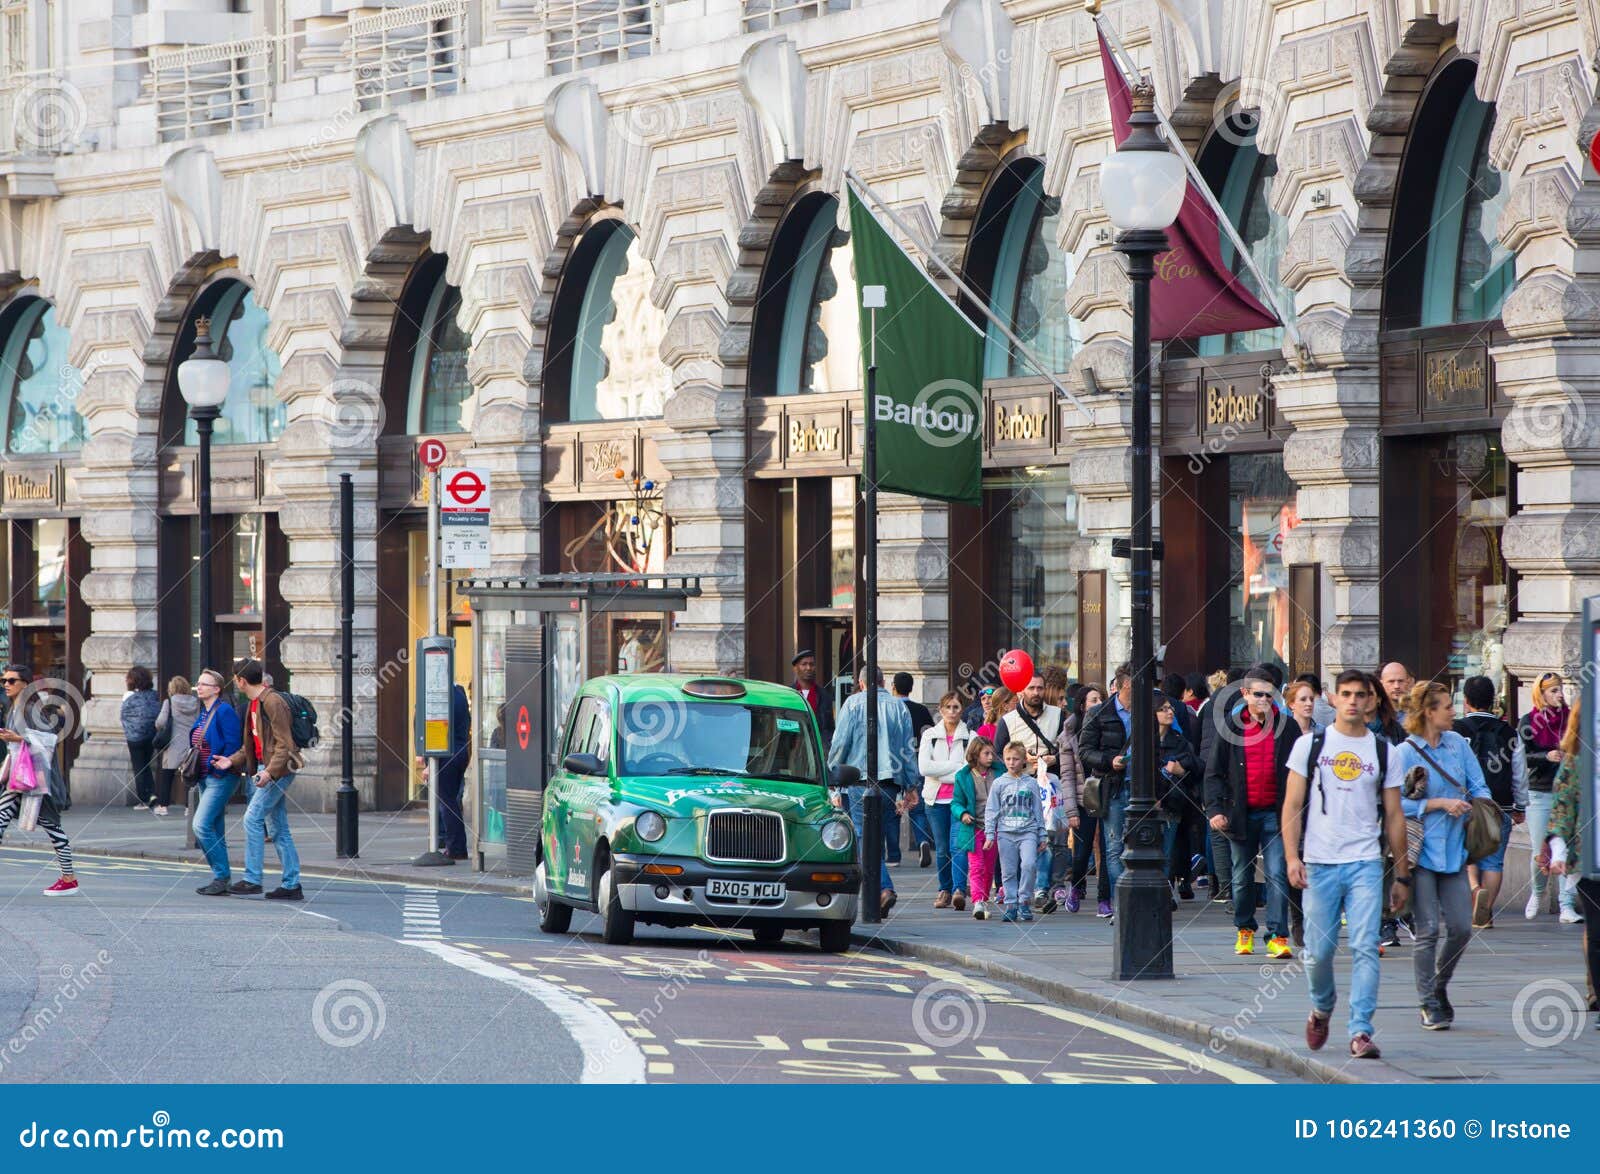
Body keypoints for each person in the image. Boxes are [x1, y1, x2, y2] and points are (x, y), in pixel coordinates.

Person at [1282, 669, 1409, 1060]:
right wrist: (1291, 856)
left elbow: (1394, 815)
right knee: (1317, 952)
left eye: (1361, 695)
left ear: (1372, 700)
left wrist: (1402, 873)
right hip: (1320, 863)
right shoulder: (1310, 744)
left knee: (1365, 946)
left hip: (1365, 863)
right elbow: (1291, 805)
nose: (1353, 701)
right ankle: (1322, 1007)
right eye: (1346, 694)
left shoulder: (1385, 751)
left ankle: (1360, 1031)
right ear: (1333, 699)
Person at [1390, 679, 1492, 1030]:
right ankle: (1428, 1002)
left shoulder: (1457, 746)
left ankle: (1439, 985)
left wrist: (1479, 806)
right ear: (1429, 712)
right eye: (1447, 706)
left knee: (1463, 927)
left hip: (1455, 851)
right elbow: (1393, 804)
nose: (1453, 711)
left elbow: (1480, 786)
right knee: (1429, 928)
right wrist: (1437, 803)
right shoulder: (1404, 752)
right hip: (1419, 852)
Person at [1205, 666, 1296, 958]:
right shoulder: (1230, 728)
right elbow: (1214, 773)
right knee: (1242, 877)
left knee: (1277, 874)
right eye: (1259, 695)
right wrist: (1216, 809)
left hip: (1276, 814)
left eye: (1271, 696)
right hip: (1240, 814)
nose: (1265, 701)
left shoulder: (1288, 728)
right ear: (1244, 694)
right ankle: (1245, 929)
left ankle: (1277, 936)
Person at [827, 664, 920, 917]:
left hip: (859, 780)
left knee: (862, 838)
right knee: (874, 839)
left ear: (861, 683)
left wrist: (832, 778)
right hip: (890, 782)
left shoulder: (853, 704)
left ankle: (884, 890)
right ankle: (877, 898)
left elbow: (840, 743)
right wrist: (912, 785)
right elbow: (908, 748)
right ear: (883, 682)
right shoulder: (899, 706)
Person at [219, 658, 304, 901]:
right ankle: (291, 884)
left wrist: (269, 772)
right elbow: (254, 746)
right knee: (278, 828)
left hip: (278, 770)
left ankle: (252, 879)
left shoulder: (272, 702)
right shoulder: (255, 703)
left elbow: (285, 745)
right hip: (266, 767)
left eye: (235, 678)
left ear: (241, 680)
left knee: (252, 818)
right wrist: (230, 760)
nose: (235, 682)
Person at [1538, 699, 1599, 1028]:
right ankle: (1596, 989)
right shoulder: (1576, 761)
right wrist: (1559, 851)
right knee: (1596, 925)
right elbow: (1562, 808)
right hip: (1589, 854)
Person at [0, 665, 79, 895]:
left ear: (25, 684)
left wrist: (18, 737)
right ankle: (69, 877)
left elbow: (49, 740)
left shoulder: (31, 709)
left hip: (37, 780)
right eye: (4, 680)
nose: (6, 684)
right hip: (18, 778)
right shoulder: (14, 708)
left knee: (53, 828)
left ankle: (69, 878)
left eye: (12, 680)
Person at [1455, 675, 1525, 930]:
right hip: (1501, 804)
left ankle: (1475, 890)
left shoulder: (1456, 730)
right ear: (1493, 701)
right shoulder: (1510, 732)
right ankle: (1486, 912)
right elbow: (1519, 773)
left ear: (1466, 701)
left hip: (1465, 803)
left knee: (1468, 854)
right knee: (1494, 861)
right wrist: (1520, 805)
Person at [1520, 670, 1581, 923]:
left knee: (1567, 847)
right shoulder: (1529, 721)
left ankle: (1566, 905)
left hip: (1566, 792)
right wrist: (1545, 757)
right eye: (1553, 690)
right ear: (1541, 694)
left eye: (1560, 690)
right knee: (1540, 850)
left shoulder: (1571, 719)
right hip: (1540, 790)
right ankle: (1537, 892)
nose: (1559, 695)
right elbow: (1521, 755)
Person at [1078, 666, 1139, 905]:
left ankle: (1134, 899)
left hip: (1140, 789)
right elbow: (1084, 752)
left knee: (1141, 845)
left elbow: (1156, 751)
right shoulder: (1098, 713)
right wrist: (1108, 761)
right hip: (1112, 788)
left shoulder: (1145, 712)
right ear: (1126, 685)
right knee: (1113, 847)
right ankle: (1121, 901)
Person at [190, 668, 245, 896]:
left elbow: (234, 743)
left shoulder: (224, 712)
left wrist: (222, 767)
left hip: (220, 778)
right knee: (215, 828)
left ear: (217, 689)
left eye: (205, 684)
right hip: (205, 777)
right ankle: (221, 878)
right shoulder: (203, 712)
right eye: (199, 683)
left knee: (200, 825)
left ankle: (221, 875)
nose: (199, 687)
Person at [917, 692, 971, 909]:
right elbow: (924, 768)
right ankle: (944, 889)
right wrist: (954, 767)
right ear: (940, 710)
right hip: (935, 800)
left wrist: (941, 770)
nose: (951, 711)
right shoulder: (929, 735)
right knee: (941, 849)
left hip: (960, 801)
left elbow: (968, 770)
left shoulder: (970, 737)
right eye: (947, 707)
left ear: (962, 710)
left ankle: (959, 889)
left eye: (956, 707)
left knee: (958, 846)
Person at [1199, 668, 1248, 906]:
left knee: (1218, 831)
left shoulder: (1210, 704)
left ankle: (1224, 885)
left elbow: (1199, 738)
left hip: (1212, 769)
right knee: (1239, 833)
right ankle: (1243, 887)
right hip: (1237, 771)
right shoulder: (1243, 707)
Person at [985, 742, 1047, 924]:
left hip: (1028, 831)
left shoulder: (1031, 783)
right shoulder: (999, 783)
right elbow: (992, 810)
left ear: (1023, 761)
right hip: (1005, 832)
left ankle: (1024, 900)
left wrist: (1042, 834)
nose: (1012, 763)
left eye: (1016, 759)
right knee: (1008, 871)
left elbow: (1038, 810)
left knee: (1029, 865)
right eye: (1008, 759)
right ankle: (1011, 904)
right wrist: (990, 834)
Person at [1063, 684, 1108, 915]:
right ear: (1082, 705)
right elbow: (1068, 774)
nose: (1098, 703)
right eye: (1093, 700)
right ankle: (1076, 885)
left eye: (1101, 699)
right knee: (1082, 850)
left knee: (1109, 848)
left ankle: (1104, 898)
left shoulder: (1110, 728)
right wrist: (1071, 811)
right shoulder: (1069, 734)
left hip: (1108, 793)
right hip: (1084, 797)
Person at [1156, 693, 1202, 902]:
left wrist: (1180, 770)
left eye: (1170, 708)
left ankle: (1165, 892)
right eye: (1164, 709)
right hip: (1149, 802)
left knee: (1167, 849)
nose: (1170, 712)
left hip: (1172, 802)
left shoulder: (1178, 739)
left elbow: (1196, 766)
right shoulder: (1142, 740)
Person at [892, 672, 936, 868]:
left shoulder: (889, 708)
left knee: (892, 809)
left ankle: (892, 854)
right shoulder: (921, 710)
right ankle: (922, 842)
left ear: (893, 687)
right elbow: (931, 736)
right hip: (917, 761)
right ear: (911, 688)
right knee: (918, 809)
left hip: (892, 763)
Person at [951, 735, 998, 920]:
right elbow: (956, 802)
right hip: (973, 827)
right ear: (975, 754)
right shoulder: (963, 776)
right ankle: (978, 900)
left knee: (989, 867)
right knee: (976, 866)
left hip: (993, 828)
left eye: (992, 753)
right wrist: (962, 813)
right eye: (986, 753)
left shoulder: (999, 772)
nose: (990, 757)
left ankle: (984, 899)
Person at [152, 675, 201, 818]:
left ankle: (163, 806)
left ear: (172, 688)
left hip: (173, 744)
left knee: (167, 776)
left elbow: (160, 722)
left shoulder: (169, 702)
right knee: (189, 775)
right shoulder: (196, 702)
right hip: (190, 744)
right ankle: (189, 807)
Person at [436, 681, 472, 860]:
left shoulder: (441, 697)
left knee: (447, 802)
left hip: (446, 754)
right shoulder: (460, 693)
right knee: (453, 801)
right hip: (461, 751)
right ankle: (457, 846)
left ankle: (455, 848)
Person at [120, 665, 162, 810]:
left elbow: (124, 716)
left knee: (139, 767)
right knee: (147, 765)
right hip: (151, 735)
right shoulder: (155, 695)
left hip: (134, 737)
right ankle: (151, 794)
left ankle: (144, 799)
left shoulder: (128, 696)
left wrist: (129, 730)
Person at [791, 650, 834, 748]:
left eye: (811, 664)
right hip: (794, 749)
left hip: (818, 751)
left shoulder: (824, 696)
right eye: (804, 664)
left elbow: (829, 727)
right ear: (796, 668)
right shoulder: (790, 694)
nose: (808, 668)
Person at [1161, 671, 1200, 750]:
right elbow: (1187, 736)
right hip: (1176, 752)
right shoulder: (1181, 706)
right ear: (1182, 692)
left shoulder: (1156, 701)